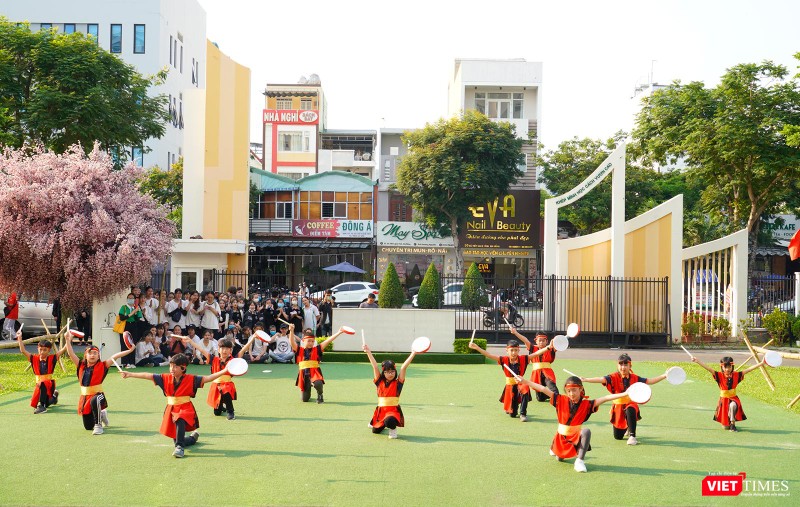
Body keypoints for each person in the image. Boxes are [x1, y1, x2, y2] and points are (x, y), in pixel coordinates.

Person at [120, 346, 231, 458]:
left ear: (183, 368)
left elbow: (208, 378)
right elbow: (148, 375)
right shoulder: (165, 378)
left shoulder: (191, 379)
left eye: (175, 367)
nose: (171, 369)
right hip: (171, 409)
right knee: (179, 438)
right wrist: (130, 374)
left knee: (180, 419)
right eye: (171, 366)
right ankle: (191, 439)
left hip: (185, 408)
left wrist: (224, 371)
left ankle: (179, 448)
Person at [513, 374, 632, 473]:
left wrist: (625, 394)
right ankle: (555, 449)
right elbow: (543, 389)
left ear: (581, 389)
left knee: (586, 431)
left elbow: (606, 397)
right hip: (561, 437)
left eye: (574, 390)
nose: (571, 394)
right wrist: (525, 381)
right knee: (560, 459)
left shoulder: (587, 404)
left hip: (576, 436)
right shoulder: (560, 399)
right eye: (569, 391)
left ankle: (579, 461)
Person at [581, 353, 668, 445]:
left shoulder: (635, 378)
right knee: (618, 437)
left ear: (630, 366)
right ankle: (627, 426)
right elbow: (601, 379)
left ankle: (632, 436)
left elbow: (650, 381)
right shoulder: (613, 377)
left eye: (625, 365)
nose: (623, 367)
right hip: (618, 406)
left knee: (631, 408)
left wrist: (664, 375)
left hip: (630, 403)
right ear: (617, 366)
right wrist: (586, 379)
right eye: (621, 364)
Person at [64, 330, 135, 435]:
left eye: (95, 353)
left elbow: (115, 356)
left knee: (95, 400)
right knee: (88, 427)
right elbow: (71, 353)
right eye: (90, 353)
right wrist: (67, 340)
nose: (92, 355)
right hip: (85, 397)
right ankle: (101, 415)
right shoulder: (80, 365)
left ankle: (98, 425)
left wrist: (130, 350)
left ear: (98, 356)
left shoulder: (103, 365)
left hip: (98, 395)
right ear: (85, 355)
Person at [692, 355, 766, 432]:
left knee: (733, 405)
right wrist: (698, 361)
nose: (727, 369)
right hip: (723, 401)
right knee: (725, 427)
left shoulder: (736, 375)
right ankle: (729, 422)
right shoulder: (719, 375)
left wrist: (761, 363)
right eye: (725, 367)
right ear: (722, 367)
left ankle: (733, 424)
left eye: (729, 367)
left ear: (732, 366)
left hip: (734, 398)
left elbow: (749, 369)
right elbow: (709, 369)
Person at [468, 339, 535, 421]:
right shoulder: (503, 359)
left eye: (516, 350)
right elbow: (489, 355)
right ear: (507, 350)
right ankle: (513, 407)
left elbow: (536, 353)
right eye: (511, 350)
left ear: (519, 350)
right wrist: (477, 347)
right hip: (510, 386)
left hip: (520, 383)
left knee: (525, 388)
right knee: (513, 415)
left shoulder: (523, 358)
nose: (514, 353)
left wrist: (548, 347)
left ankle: (523, 414)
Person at [363, 343, 416, 439]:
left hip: (393, 411)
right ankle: (382, 423)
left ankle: (393, 430)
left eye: (392, 371)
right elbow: (375, 366)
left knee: (390, 421)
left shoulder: (398, 383)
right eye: (387, 372)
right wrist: (368, 352)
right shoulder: (379, 381)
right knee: (375, 431)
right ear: (383, 373)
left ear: (395, 372)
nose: (390, 374)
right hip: (381, 411)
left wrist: (413, 353)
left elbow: (403, 367)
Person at [289, 325, 346, 403]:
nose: (311, 343)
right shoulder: (299, 349)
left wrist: (339, 332)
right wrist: (291, 331)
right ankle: (308, 390)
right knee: (304, 399)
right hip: (304, 374)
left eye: (313, 341)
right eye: (309, 341)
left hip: (315, 372)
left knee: (318, 383)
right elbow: (292, 342)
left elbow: (328, 341)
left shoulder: (317, 349)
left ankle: (320, 394)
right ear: (303, 341)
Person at [16, 330, 63, 413]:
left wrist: (68, 340)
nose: (42, 352)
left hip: (49, 384)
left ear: (49, 350)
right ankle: (54, 397)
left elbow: (63, 350)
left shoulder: (52, 358)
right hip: (39, 384)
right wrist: (19, 338)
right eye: (40, 349)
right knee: (48, 401)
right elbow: (23, 350)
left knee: (43, 386)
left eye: (45, 350)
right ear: (37, 349)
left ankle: (42, 406)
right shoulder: (34, 358)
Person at [511, 329, 559, 402]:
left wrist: (557, 340)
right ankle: (551, 395)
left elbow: (560, 344)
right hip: (536, 374)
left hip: (547, 373)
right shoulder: (533, 348)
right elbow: (525, 340)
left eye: (543, 340)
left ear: (547, 341)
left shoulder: (551, 348)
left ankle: (557, 397)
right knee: (540, 398)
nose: (541, 342)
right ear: (536, 341)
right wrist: (516, 333)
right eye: (540, 340)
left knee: (552, 387)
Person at [118, 293, 143, 368]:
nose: (130, 300)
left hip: (134, 326)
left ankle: (132, 362)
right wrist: (132, 313)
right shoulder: (124, 307)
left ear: (134, 300)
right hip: (125, 325)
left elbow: (138, 318)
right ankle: (125, 363)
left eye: (132, 298)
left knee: (133, 344)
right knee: (124, 344)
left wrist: (136, 312)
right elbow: (122, 318)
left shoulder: (136, 308)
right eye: (129, 298)